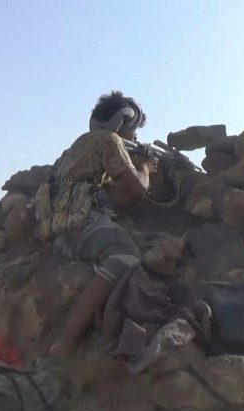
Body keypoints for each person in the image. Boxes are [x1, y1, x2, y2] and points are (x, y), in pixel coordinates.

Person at [37, 91, 157, 357]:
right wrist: (146, 168)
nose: (135, 138)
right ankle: (66, 343)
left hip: (58, 236)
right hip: (78, 228)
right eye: (134, 131)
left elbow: (117, 196)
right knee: (126, 256)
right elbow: (137, 189)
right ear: (124, 120)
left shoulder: (73, 151)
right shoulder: (108, 140)